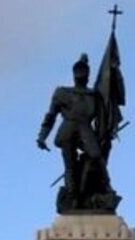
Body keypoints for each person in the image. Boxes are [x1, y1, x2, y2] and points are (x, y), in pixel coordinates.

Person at [37, 54, 112, 212]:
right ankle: (74, 198)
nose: (81, 74)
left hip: (85, 128)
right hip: (68, 128)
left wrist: (106, 133)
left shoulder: (94, 96)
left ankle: (107, 188)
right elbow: (51, 116)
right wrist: (42, 136)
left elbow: (102, 120)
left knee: (96, 156)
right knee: (70, 166)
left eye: (83, 71)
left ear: (88, 74)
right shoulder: (63, 92)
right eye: (78, 71)